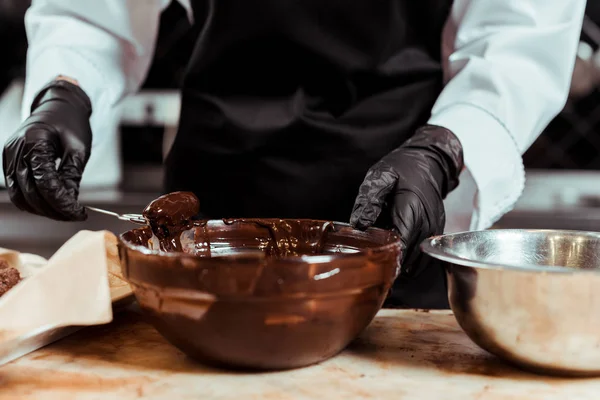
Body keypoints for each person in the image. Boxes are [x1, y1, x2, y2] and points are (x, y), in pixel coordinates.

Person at [3, 0, 586, 308]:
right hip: (206, 219)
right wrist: (66, 92)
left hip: (397, 217)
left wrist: (444, 150)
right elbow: (93, 12)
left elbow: (518, 36)